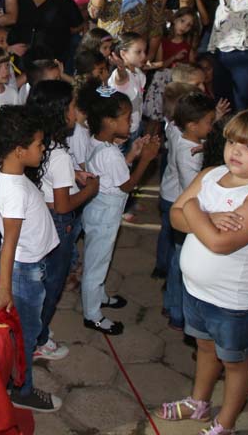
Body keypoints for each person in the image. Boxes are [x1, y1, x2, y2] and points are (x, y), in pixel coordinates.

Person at [163, 109, 248, 435]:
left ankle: (226, 423)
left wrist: (195, 208)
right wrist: (207, 216)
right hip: (194, 290)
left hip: (232, 303)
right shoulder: (210, 174)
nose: (235, 151)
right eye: (232, 141)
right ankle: (198, 402)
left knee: (235, 363)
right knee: (204, 348)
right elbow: (173, 219)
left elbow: (219, 243)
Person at [0, 105, 63, 413]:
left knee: (25, 331)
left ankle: (15, 379)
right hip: (25, 272)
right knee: (25, 336)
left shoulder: (2, 171)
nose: (43, 150)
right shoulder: (13, 189)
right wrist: (5, 290)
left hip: (22, 264)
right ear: (18, 150)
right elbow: (11, 241)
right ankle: (21, 389)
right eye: (39, 145)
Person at [79, 85, 161, 334]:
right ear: (109, 122)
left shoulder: (99, 143)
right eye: (127, 117)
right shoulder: (111, 154)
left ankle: (99, 295)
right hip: (105, 216)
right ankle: (92, 314)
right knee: (97, 263)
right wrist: (145, 160)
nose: (132, 121)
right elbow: (126, 185)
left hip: (98, 210)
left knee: (99, 258)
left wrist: (133, 154)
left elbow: (112, 173)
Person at [26, 80, 98, 360]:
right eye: (71, 107)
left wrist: (73, 176)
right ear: (59, 111)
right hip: (58, 222)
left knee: (40, 281)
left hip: (38, 217)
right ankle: (38, 339)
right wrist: (90, 189)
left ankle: (35, 329)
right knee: (52, 284)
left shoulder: (39, 142)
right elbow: (63, 203)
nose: (75, 112)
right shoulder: (57, 154)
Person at [159, 91, 215, 328]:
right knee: (181, 261)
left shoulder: (177, 132)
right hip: (180, 205)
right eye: (210, 123)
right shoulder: (189, 155)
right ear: (192, 125)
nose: (212, 127)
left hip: (168, 196)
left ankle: (170, 303)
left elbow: (171, 121)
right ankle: (177, 311)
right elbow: (192, 189)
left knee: (176, 256)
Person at [12, 0, 83, 65]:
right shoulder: (19, 0)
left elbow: (78, 24)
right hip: (21, 59)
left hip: (54, 60)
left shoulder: (63, 1)